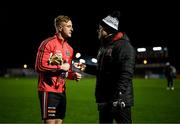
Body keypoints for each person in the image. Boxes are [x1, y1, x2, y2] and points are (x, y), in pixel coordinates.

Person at [35, 15, 82, 124]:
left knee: (58, 122)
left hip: (62, 91)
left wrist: (72, 75)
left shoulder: (69, 49)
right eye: (69, 26)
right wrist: (60, 66)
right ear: (60, 28)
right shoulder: (48, 43)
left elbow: (65, 72)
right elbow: (39, 66)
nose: (72, 29)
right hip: (48, 90)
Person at [95, 10, 136, 124]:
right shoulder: (104, 46)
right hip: (105, 98)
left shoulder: (123, 46)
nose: (98, 30)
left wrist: (119, 95)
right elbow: (102, 71)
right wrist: (85, 68)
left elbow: (127, 72)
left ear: (106, 29)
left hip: (118, 100)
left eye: (100, 28)